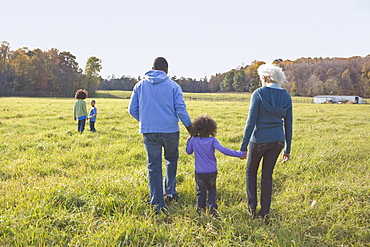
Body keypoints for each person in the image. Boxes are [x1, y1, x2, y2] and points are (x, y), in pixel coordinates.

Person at [128, 57, 192, 214]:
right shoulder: (173, 86)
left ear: (152, 68)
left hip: (149, 131)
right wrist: (191, 129)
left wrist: (145, 121)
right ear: (167, 69)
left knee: (154, 166)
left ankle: (157, 203)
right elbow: (181, 110)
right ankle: (170, 192)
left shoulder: (139, 86)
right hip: (170, 130)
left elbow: (132, 110)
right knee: (171, 159)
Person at [240, 64, 292, 221]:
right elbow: (288, 125)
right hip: (278, 141)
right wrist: (287, 149)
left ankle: (251, 208)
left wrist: (243, 147)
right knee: (267, 176)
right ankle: (265, 213)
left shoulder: (258, 94)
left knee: (251, 172)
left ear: (265, 77)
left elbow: (251, 122)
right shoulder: (286, 96)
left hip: (259, 140)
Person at [186, 114, 246, 216]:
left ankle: (200, 210)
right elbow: (224, 151)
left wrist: (189, 139)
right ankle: (212, 209)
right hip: (212, 171)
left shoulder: (194, 140)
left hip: (199, 172)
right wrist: (240, 154)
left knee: (200, 191)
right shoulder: (212, 141)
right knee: (212, 190)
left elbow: (188, 151)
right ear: (211, 129)